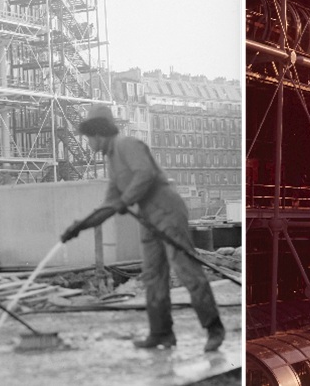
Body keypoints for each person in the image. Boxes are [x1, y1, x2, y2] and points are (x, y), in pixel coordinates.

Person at [60, 105, 225, 352]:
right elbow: (109, 204)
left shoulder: (127, 144)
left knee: (185, 269)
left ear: (98, 133)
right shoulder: (113, 164)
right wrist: (81, 226)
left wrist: (125, 200)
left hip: (167, 209)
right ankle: (161, 334)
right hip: (148, 217)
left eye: (89, 138)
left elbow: (145, 174)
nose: (88, 144)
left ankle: (214, 328)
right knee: (152, 275)